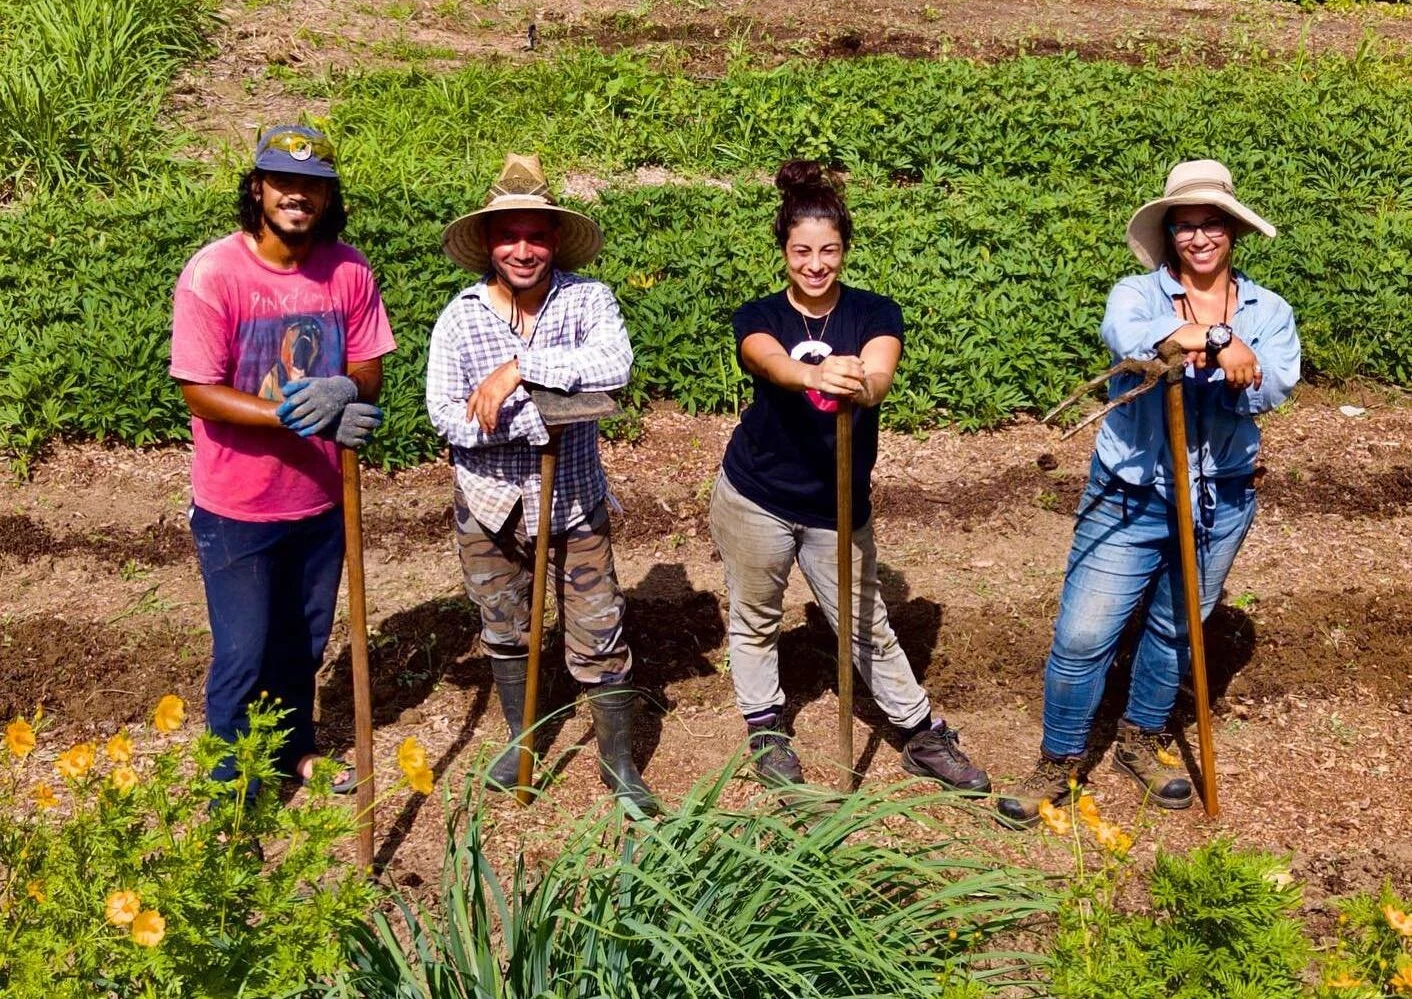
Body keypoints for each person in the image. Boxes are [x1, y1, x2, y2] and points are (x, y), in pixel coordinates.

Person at [997, 159, 1301, 827]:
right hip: (1132, 491)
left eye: (1211, 223)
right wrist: (1202, 337)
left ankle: (1139, 738)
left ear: (1232, 231)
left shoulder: (1269, 310)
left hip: (1221, 494)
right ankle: (1059, 760)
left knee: (1176, 627)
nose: (1198, 237)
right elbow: (1130, 340)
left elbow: (1275, 384)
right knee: (1083, 633)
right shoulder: (1135, 293)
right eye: (1184, 225)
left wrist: (1225, 346)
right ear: (1169, 235)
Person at [707, 160, 990, 793]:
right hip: (757, 495)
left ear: (845, 251)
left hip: (837, 502)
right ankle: (766, 727)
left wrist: (861, 382)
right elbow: (770, 361)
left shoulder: (874, 313)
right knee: (755, 616)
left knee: (864, 621)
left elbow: (882, 372)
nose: (815, 264)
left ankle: (919, 734)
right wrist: (811, 375)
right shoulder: (759, 317)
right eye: (802, 250)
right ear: (783, 249)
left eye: (828, 250)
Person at [427, 153, 655, 813]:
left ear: (556, 240)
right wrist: (545, 412)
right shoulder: (460, 316)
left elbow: (613, 366)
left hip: (573, 500)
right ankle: (523, 739)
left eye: (537, 234)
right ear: (489, 244)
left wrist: (518, 370)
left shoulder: (588, 299)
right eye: (509, 235)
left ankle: (618, 763)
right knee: (505, 627)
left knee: (599, 631)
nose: (523, 249)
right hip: (489, 505)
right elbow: (448, 415)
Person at [170, 124, 396, 789]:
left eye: (312, 186)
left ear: (327, 197)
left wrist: (345, 388)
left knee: (304, 642)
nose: (298, 195)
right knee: (242, 652)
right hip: (236, 506)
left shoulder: (348, 270)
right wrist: (291, 413)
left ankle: (295, 750)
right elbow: (198, 390)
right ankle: (230, 789)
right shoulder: (215, 273)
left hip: (321, 499)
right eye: (284, 182)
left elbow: (369, 369)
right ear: (258, 189)